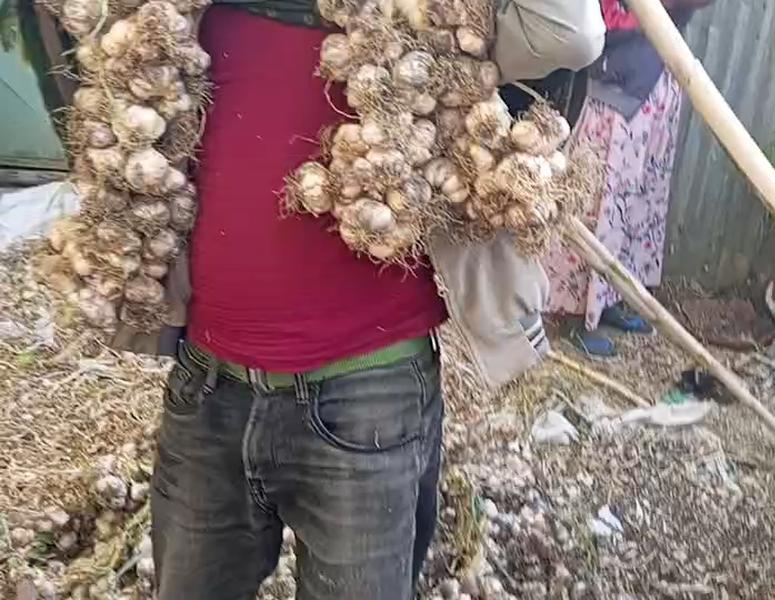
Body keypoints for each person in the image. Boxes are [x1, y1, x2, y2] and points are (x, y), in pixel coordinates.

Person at [31, 0, 603, 598]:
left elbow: (571, 32)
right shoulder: (177, 15)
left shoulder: (428, 21)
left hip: (367, 397)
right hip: (209, 389)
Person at [542, 0, 714, 357]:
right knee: (594, 202)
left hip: (654, 82)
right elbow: (598, 18)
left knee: (635, 202)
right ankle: (572, 314)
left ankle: (607, 299)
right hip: (614, 87)